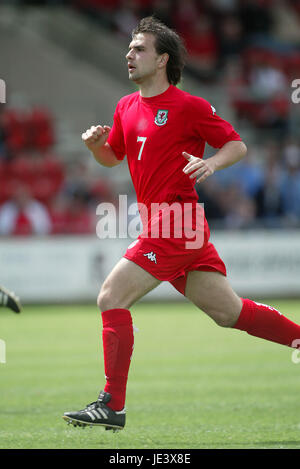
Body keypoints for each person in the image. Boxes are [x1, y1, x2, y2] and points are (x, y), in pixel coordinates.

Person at [63, 16, 300, 431]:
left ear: (162, 60)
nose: (129, 55)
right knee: (229, 313)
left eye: (139, 49)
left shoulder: (188, 106)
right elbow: (113, 157)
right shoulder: (125, 106)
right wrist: (95, 147)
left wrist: (210, 162)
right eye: (130, 48)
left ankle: (111, 405)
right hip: (164, 225)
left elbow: (237, 144)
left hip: (177, 222)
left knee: (110, 296)